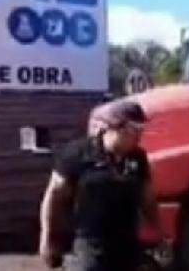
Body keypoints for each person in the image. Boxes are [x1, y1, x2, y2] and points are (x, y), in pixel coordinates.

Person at [39, 100, 164, 271]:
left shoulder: (137, 158)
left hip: (127, 244)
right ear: (115, 128)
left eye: (141, 130)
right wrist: (47, 238)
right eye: (134, 130)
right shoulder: (78, 154)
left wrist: (158, 232)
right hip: (89, 244)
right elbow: (54, 197)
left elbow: (147, 198)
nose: (138, 136)